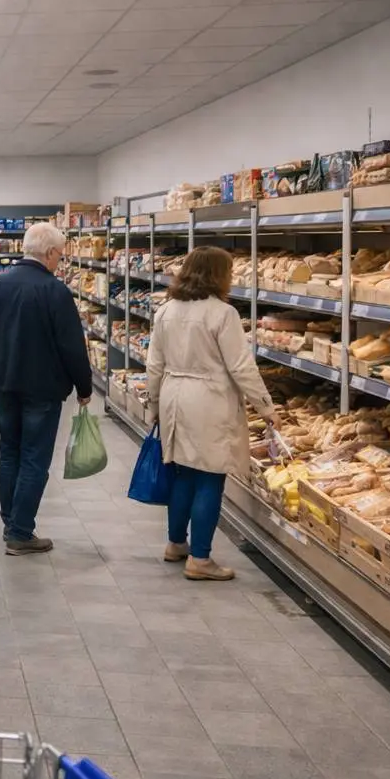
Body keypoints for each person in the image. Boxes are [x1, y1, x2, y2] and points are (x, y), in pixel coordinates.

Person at [146, 245, 277, 581]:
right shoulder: (222, 314)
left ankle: (176, 544)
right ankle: (201, 559)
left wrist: (153, 404)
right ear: (219, 275)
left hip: (174, 395)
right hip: (209, 399)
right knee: (209, 477)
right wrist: (265, 406)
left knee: (182, 473)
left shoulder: (167, 310)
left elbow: (154, 363)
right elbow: (241, 366)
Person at [0, 221, 92, 556]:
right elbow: (71, 346)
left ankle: (12, 518)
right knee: (35, 458)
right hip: (42, 389)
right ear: (50, 253)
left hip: (3, 385)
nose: (60, 261)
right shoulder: (55, 291)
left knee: (10, 451)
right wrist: (84, 386)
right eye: (60, 256)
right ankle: (20, 531)